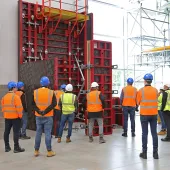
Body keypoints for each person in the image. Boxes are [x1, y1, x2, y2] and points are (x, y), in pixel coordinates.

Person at [32, 76, 57, 157]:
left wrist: (39, 111)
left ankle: (36, 150)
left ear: (40, 83)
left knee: (38, 133)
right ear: (48, 83)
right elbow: (54, 104)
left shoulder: (35, 92)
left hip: (38, 116)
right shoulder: (51, 92)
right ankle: (49, 151)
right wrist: (45, 111)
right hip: (48, 116)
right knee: (47, 133)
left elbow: (32, 104)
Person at [137, 73, 159, 159]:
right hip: (154, 114)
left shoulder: (141, 90)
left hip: (144, 114)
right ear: (151, 81)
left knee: (144, 133)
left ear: (145, 81)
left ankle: (144, 153)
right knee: (154, 133)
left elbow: (137, 102)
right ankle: (155, 153)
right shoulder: (156, 90)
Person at [1, 81, 25, 153]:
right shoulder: (16, 97)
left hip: (7, 117)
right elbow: (19, 108)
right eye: (16, 87)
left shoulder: (4, 97)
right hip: (15, 118)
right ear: (13, 88)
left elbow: (3, 108)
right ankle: (16, 148)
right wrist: (20, 117)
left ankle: (7, 147)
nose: (16, 89)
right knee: (16, 132)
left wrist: (6, 115)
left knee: (6, 132)